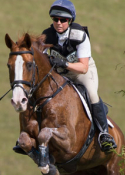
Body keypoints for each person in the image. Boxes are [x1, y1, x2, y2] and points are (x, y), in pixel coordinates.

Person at [42, 0, 117, 152]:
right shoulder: (46, 36)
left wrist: (63, 63)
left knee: (92, 93)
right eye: (55, 19)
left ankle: (104, 134)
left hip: (83, 71)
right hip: (60, 74)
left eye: (63, 20)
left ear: (70, 21)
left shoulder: (79, 35)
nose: (59, 23)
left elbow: (83, 67)